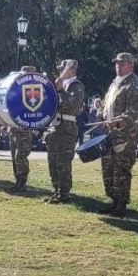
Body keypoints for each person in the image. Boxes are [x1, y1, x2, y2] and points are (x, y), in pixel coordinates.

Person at [98, 53, 138, 216]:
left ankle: (121, 203)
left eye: (122, 63)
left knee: (121, 169)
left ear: (131, 65)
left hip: (125, 135)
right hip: (109, 133)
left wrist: (118, 121)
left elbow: (134, 111)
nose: (118, 66)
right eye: (117, 63)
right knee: (108, 168)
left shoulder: (134, 85)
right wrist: (101, 111)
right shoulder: (114, 84)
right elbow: (107, 105)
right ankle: (113, 200)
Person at [45, 59, 85, 204]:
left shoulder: (76, 86)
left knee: (63, 162)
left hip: (67, 128)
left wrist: (61, 90)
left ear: (72, 70)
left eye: (63, 69)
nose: (60, 71)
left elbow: (73, 104)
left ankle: (64, 192)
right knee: (53, 161)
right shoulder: (61, 85)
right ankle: (56, 190)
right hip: (55, 127)